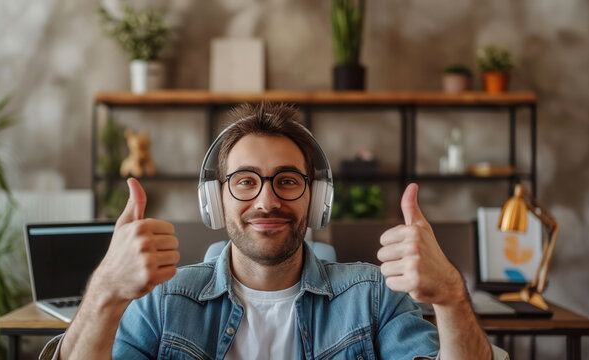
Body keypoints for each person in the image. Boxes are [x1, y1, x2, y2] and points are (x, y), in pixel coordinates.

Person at [40, 103, 508, 360]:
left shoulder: (373, 298)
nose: (266, 201)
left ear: (317, 199)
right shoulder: (162, 302)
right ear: (214, 201)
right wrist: (105, 292)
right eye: (245, 181)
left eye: (287, 180)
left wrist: (449, 295)